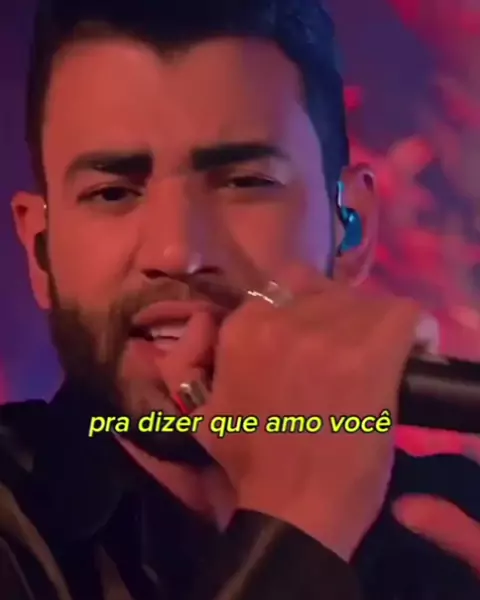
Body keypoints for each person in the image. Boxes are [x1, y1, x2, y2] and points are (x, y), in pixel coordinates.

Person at [1, 0, 480, 598]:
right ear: (40, 250)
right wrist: (301, 520)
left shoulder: (456, 523)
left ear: (350, 227)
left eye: (245, 182)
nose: (177, 252)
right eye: (112, 192)